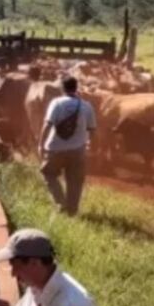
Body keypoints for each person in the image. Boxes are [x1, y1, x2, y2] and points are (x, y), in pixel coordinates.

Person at [39, 76, 97, 216]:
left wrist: (41, 144)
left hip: (55, 148)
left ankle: (61, 203)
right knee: (75, 181)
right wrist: (92, 146)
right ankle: (72, 211)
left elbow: (47, 125)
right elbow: (93, 130)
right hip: (78, 150)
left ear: (62, 88)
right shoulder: (87, 106)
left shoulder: (56, 103)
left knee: (48, 174)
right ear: (76, 88)